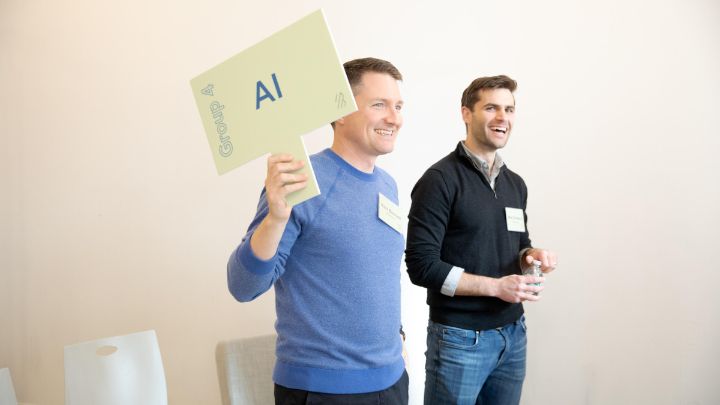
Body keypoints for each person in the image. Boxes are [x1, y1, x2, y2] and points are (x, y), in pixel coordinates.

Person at [227, 57, 408, 405]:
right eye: (379, 104)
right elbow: (242, 285)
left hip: (392, 381)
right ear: (340, 110)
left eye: (398, 106)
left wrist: (396, 341)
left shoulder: (388, 185)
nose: (394, 117)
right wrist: (276, 218)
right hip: (324, 391)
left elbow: (377, 273)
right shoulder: (299, 180)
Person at [405, 75, 558, 405]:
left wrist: (532, 255)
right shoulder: (439, 181)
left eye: (509, 109)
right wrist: (496, 287)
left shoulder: (515, 183)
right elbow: (421, 266)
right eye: (491, 107)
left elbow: (519, 246)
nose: (503, 117)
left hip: (514, 335)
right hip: (461, 340)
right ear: (466, 113)